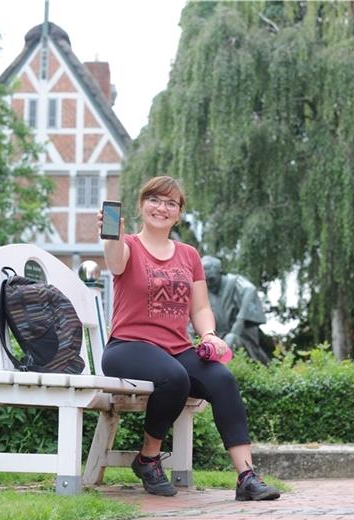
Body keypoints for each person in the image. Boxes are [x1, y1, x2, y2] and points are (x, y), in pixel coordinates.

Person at [96, 176, 280, 501]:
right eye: (154, 199)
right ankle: (148, 459)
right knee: (174, 377)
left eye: (171, 203)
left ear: (179, 213)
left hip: (176, 349)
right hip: (127, 347)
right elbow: (114, 259)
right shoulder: (128, 245)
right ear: (141, 205)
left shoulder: (189, 255)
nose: (161, 208)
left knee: (222, 379)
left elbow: (201, 307)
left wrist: (209, 334)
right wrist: (110, 234)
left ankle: (246, 477)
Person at [202, 256, 271, 365]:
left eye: (212, 279)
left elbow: (250, 290)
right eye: (206, 281)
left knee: (230, 339)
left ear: (220, 273)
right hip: (216, 340)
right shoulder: (204, 292)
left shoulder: (234, 282)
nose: (210, 284)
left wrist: (240, 319)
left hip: (241, 339)